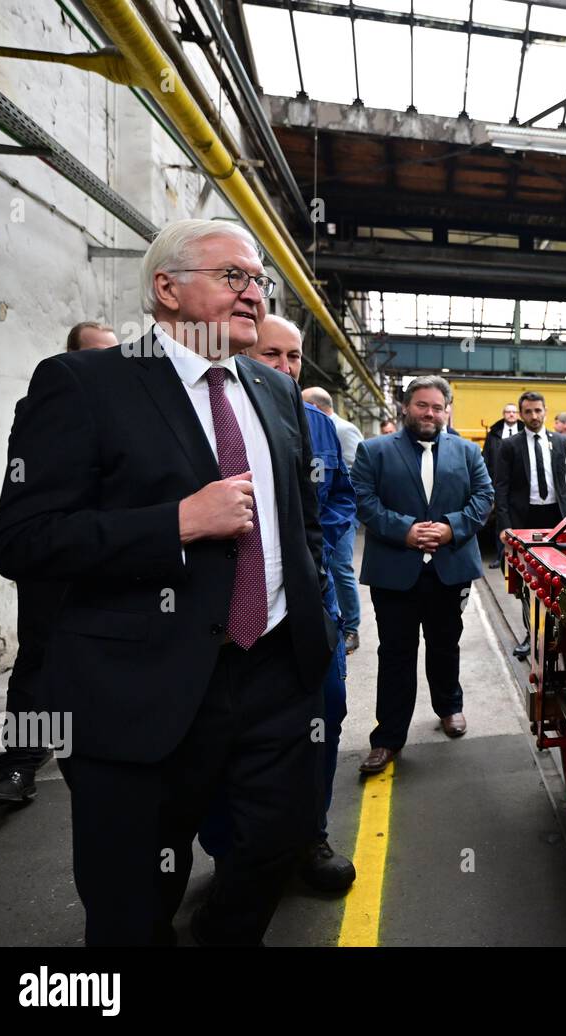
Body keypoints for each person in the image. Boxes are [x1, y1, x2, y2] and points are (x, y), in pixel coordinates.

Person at [0, 219, 336, 946]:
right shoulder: (85, 384)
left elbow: (300, 523)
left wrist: (315, 626)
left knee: (274, 847)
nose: (253, 293)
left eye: (259, 280)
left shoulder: (275, 393)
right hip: (141, 690)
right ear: (166, 289)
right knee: (133, 901)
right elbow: (21, 540)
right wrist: (173, 523)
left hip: (275, 678)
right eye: (233, 277)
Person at [211, 313, 355, 892]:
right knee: (228, 743)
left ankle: (310, 834)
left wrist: (314, 558)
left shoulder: (316, 424)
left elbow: (337, 498)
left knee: (325, 717)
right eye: (274, 354)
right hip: (227, 622)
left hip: (308, 610)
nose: (285, 368)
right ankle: (231, 854)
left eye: (294, 358)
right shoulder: (212, 414)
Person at [0, 318, 116, 809]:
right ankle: (19, 764)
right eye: (95, 353)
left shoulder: (132, 409)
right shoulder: (48, 404)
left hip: (112, 555)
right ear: (71, 357)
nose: (106, 364)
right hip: (58, 557)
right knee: (39, 657)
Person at [353, 376, 493, 773]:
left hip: (448, 571)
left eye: (437, 406)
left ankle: (449, 707)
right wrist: (405, 531)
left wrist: (450, 527)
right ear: (405, 407)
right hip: (395, 572)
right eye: (421, 405)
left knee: (445, 644)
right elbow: (364, 500)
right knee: (395, 653)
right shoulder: (374, 451)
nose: (429, 413)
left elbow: (484, 498)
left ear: (448, 410)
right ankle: (388, 738)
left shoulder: (468, 452)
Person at [495, 392, 566, 659]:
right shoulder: (509, 446)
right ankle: (532, 635)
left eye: (538, 411)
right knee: (527, 581)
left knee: (561, 580)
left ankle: (562, 634)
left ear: (546, 411)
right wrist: (505, 527)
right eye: (528, 412)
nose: (534, 416)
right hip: (525, 520)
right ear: (521, 415)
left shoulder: (561, 442)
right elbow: (501, 489)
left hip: (557, 518)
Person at [303, 386, 364, 654]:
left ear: (316, 406)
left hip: (339, 515)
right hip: (318, 515)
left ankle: (351, 627)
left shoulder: (343, 429)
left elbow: (354, 473)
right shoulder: (308, 425)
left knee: (340, 568)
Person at [482, 403, 521, 568]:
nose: (511, 414)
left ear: (518, 414)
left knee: (519, 521)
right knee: (500, 520)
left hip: (519, 483)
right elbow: (486, 458)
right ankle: (500, 556)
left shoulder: (524, 432)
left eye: (514, 412)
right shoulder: (494, 433)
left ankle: (519, 557)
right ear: (504, 414)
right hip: (498, 482)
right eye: (508, 412)